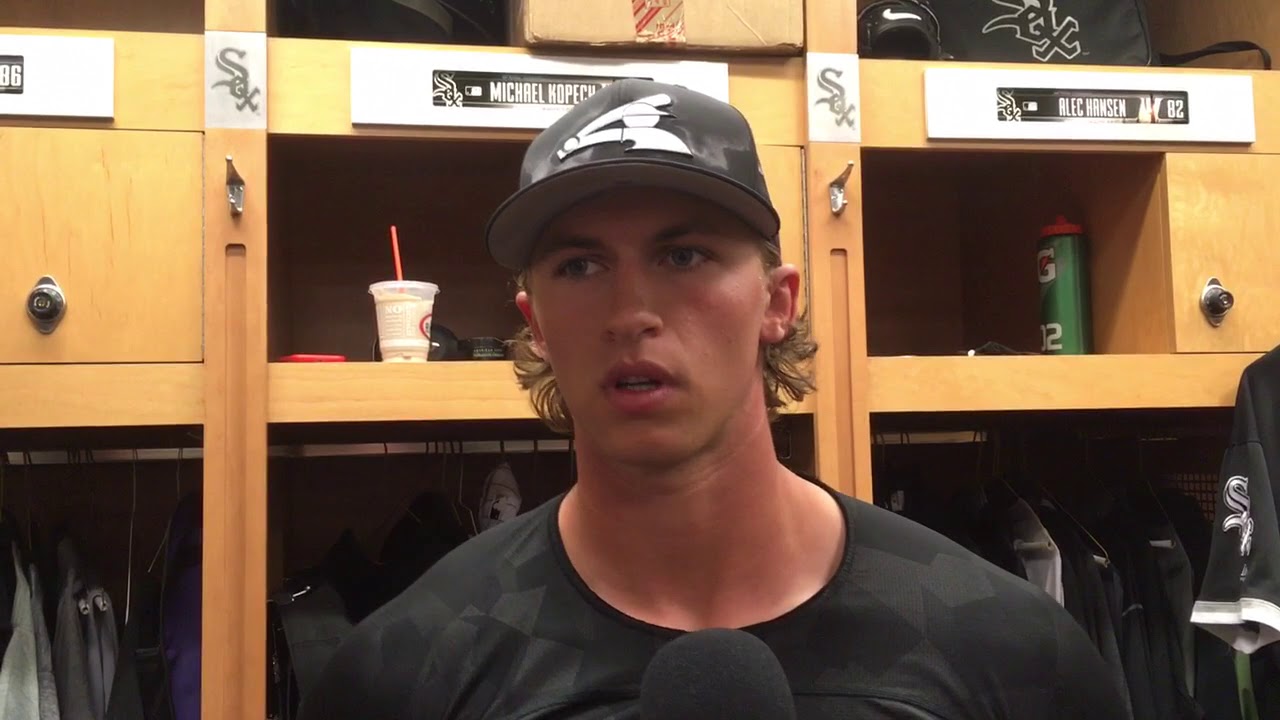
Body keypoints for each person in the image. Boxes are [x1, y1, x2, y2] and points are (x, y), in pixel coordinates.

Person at [296, 78, 1129, 720]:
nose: (631, 312)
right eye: (579, 266)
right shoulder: (406, 669)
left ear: (777, 302)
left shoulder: (1009, 651)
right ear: (536, 324)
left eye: (684, 256)